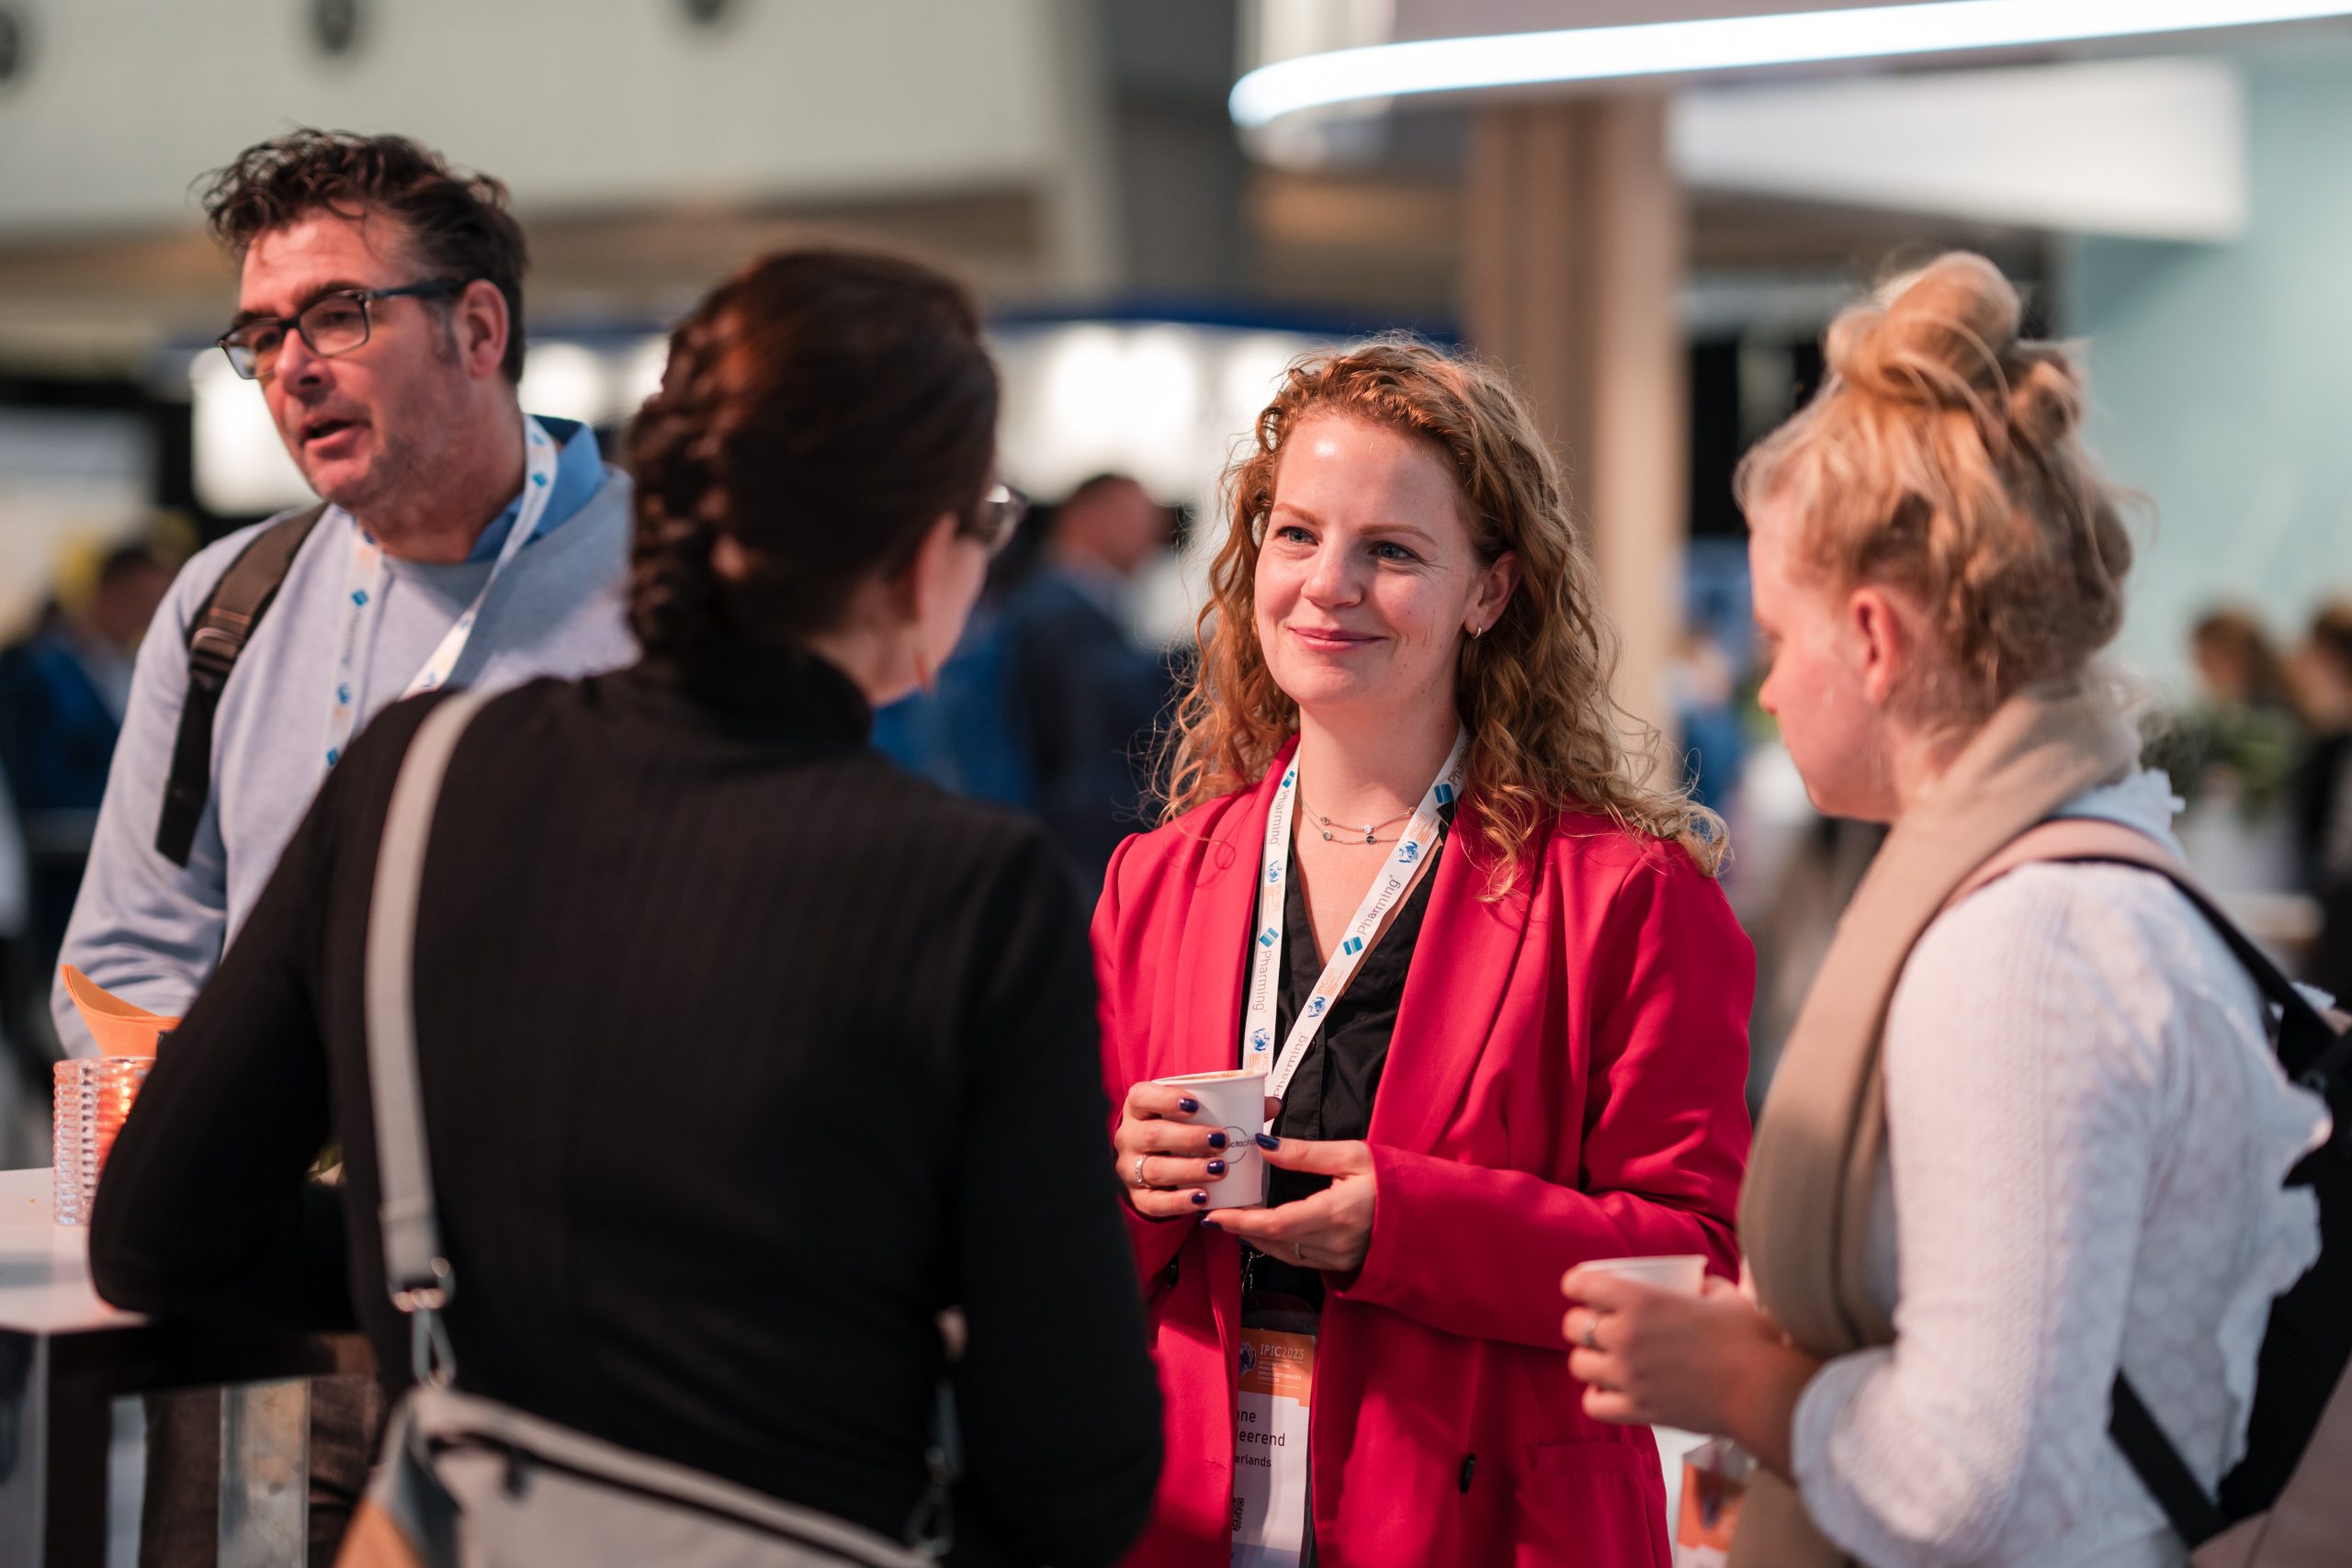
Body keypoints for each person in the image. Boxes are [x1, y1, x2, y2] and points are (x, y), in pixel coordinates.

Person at [89, 248, 1164, 1566]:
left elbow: (160, 1233)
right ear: (914, 557)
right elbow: (1076, 1464)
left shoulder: (412, 775)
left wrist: (455, 1262)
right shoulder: (969, 889)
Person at [1561, 254, 2329, 1568]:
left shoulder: (2021, 949)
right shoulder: (2089, 878)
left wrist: (1740, 1382)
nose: (1772, 684)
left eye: (1778, 639)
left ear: (1871, 636)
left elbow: (1977, 1480)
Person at [61, 130, 637, 1564]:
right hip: (267, 1312)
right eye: (260, 334)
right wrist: (232, 1122)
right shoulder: (227, 602)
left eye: (337, 314)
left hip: (556, 1326)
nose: (290, 368)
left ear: (480, 326)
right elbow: (131, 935)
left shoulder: (671, 590)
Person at [1093, 339, 1754, 1565]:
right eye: (1296, 535)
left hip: (1485, 1518)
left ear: (1491, 592)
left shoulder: (1625, 898)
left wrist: (1407, 1222)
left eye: (1391, 551)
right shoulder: (1158, 879)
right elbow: (1063, 1247)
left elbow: (1689, 1266)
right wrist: (1127, 1179)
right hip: (1181, 1508)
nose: (1326, 583)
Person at [0, 542, 171, 1053]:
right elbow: (42, 784)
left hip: (120, 894)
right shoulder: (36, 671)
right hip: (58, 895)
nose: (147, 616)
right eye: (142, 600)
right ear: (106, 591)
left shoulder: (130, 669)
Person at [997, 472, 1182, 885]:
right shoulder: (1058, 612)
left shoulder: (1077, 607)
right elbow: (1090, 742)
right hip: (1077, 854)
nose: (1154, 530)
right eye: (1135, 514)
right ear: (1087, 516)